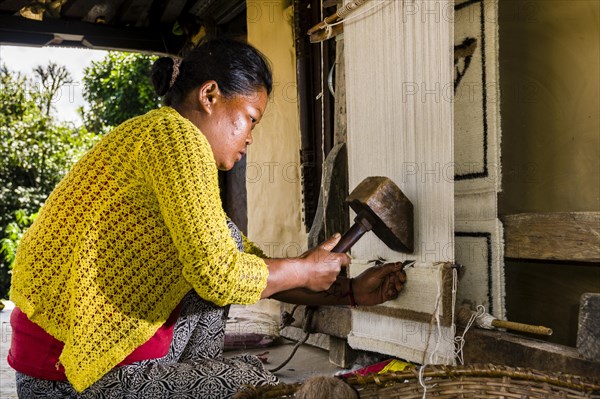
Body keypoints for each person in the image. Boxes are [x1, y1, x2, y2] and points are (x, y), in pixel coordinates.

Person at [8, 38, 407, 398]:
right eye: (251, 118)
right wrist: (304, 271)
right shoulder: (176, 138)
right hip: (70, 373)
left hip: (68, 364)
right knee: (246, 381)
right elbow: (222, 273)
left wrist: (349, 291)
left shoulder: (152, 136)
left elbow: (242, 267)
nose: (250, 137)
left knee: (229, 259)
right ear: (210, 95)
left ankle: (191, 375)